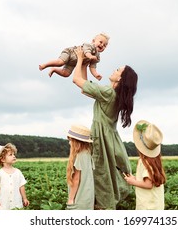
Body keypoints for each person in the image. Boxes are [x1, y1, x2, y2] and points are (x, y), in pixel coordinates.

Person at [72, 46, 138, 210]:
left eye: (118, 70)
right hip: (109, 137)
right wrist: (86, 65)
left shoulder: (108, 92)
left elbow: (76, 80)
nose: (114, 70)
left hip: (101, 138)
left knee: (101, 173)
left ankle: (103, 207)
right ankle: (104, 204)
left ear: (119, 79)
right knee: (105, 173)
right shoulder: (111, 94)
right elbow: (85, 88)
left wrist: (80, 59)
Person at [124, 120, 166, 210]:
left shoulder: (144, 162)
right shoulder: (156, 160)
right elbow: (149, 180)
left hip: (147, 206)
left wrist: (133, 182)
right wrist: (135, 178)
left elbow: (148, 184)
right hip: (156, 204)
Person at [39, 33, 109, 80]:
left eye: (105, 45)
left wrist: (96, 75)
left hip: (73, 63)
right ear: (93, 41)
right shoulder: (89, 45)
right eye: (100, 42)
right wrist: (90, 56)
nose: (102, 45)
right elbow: (86, 52)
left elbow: (92, 67)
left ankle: (53, 69)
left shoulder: (97, 57)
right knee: (60, 63)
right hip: (70, 53)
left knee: (66, 74)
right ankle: (45, 65)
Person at [0, 143, 30, 210]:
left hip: (16, 202)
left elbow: (21, 186)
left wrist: (24, 198)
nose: (14, 156)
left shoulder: (18, 172)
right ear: (2, 159)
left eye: (14, 154)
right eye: (10, 155)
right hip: (3, 203)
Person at [66, 124, 95, 210]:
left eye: (70, 140)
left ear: (76, 142)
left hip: (79, 198)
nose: (69, 142)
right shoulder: (87, 154)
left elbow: (76, 180)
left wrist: (71, 199)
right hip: (88, 197)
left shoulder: (79, 156)